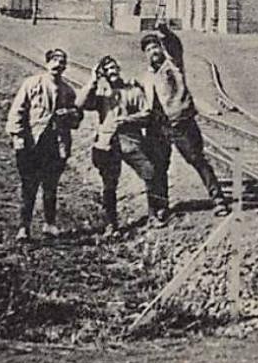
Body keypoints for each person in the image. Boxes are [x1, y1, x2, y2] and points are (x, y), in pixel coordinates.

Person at [139, 25, 230, 216]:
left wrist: (166, 33)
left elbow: (175, 46)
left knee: (197, 160)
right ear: (145, 55)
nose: (153, 52)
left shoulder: (173, 64)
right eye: (148, 50)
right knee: (160, 166)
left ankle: (218, 199)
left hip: (181, 123)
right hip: (158, 128)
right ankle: (162, 206)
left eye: (155, 47)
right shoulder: (146, 77)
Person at [76, 54, 168, 231]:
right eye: (107, 70)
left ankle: (153, 215)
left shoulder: (132, 91)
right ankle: (111, 224)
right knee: (109, 184)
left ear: (119, 69)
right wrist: (93, 80)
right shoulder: (101, 94)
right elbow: (80, 104)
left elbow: (146, 114)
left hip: (131, 142)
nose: (112, 72)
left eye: (114, 68)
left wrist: (127, 120)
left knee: (150, 172)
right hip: (106, 144)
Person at [5, 48, 81, 242]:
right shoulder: (32, 84)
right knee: (28, 186)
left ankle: (49, 224)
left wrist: (71, 115)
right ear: (47, 63)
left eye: (62, 61)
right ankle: (24, 227)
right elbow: (17, 111)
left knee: (51, 186)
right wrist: (18, 136)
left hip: (56, 146)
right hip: (32, 143)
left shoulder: (68, 91)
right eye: (54, 60)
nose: (58, 64)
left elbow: (76, 121)